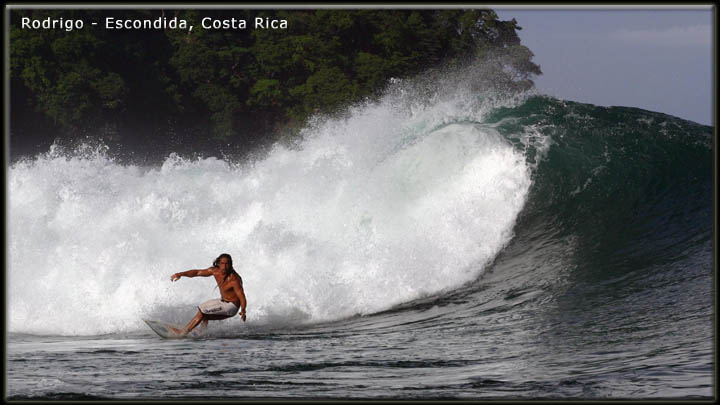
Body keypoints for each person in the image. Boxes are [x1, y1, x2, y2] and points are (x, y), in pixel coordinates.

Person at [169, 253, 247, 335]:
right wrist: (180, 274)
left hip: (232, 306)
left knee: (202, 312)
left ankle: (183, 332)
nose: (224, 267)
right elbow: (197, 272)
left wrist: (243, 310)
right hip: (223, 301)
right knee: (203, 312)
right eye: (222, 264)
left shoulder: (234, 279)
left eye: (227, 264)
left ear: (231, 264)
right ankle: (202, 332)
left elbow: (242, 296)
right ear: (218, 263)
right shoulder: (215, 271)